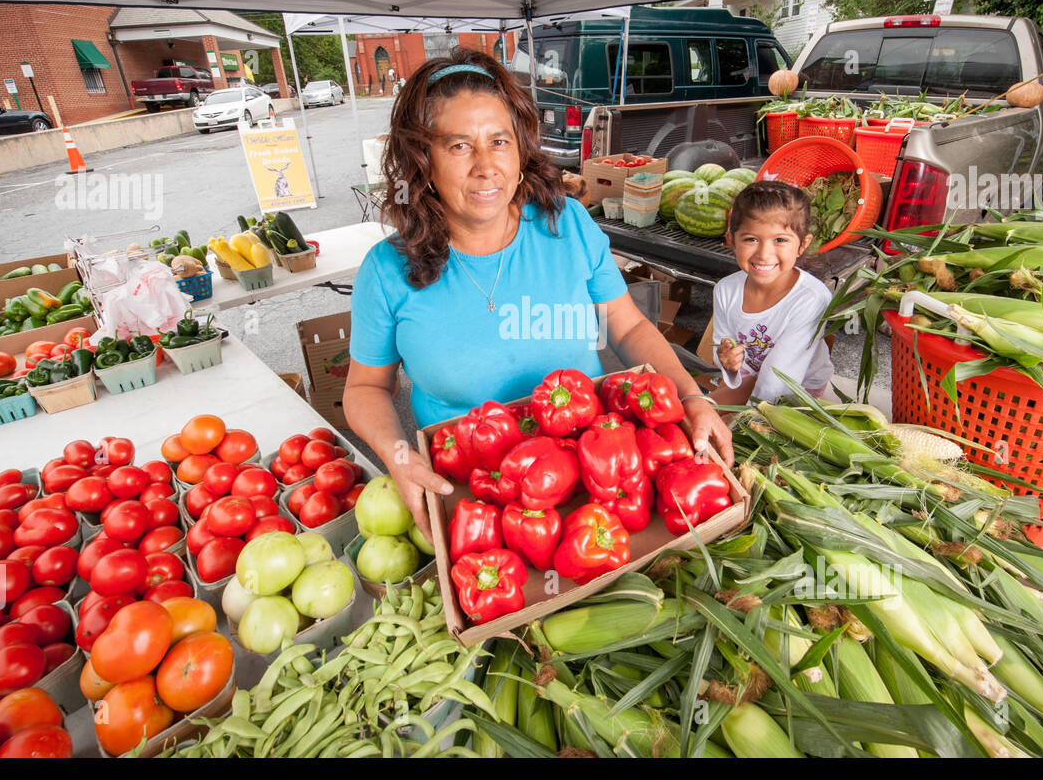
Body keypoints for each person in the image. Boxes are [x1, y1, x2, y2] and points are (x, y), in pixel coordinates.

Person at [345, 47, 733, 531]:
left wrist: (692, 396)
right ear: (421, 159)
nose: (487, 166)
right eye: (459, 145)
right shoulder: (386, 271)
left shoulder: (565, 224)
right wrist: (398, 453)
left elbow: (629, 326)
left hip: (597, 469)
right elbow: (364, 387)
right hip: (473, 491)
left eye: (500, 141)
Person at [708, 180, 834, 407]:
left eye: (780, 240)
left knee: (727, 425)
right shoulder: (725, 290)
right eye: (751, 239)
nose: (764, 254)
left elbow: (780, 380)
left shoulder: (812, 299)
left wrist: (747, 419)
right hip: (749, 374)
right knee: (703, 409)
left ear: (802, 245)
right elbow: (721, 344)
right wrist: (726, 360)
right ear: (731, 241)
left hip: (798, 384)